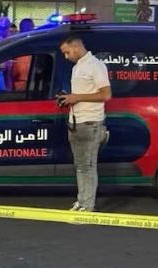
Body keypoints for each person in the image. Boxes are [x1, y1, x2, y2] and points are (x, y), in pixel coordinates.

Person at [58, 35, 111, 212]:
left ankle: (88, 206)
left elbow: (106, 94)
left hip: (91, 123)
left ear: (76, 47)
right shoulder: (77, 67)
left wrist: (76, 97)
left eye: (67, 52)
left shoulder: (96, 65)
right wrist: (69, 98)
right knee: (80, 166)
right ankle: (82, 201)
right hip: (76, 122)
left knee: (88, 166)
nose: (66, 57)